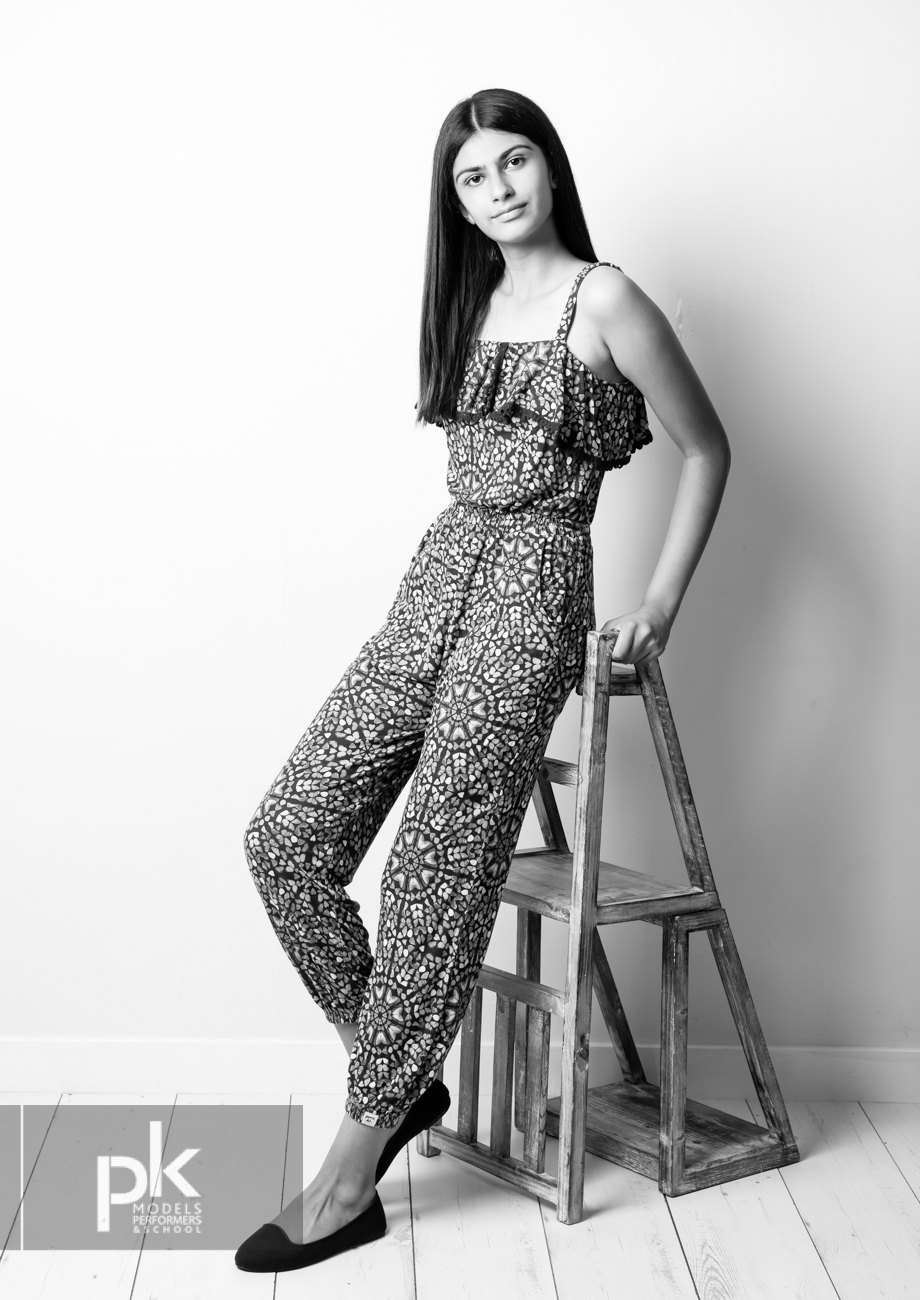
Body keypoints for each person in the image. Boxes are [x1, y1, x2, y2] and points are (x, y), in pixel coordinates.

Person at [235, 87, 730, 1273]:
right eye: (471, 176)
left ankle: (346, 1175)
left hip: (534, 585)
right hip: (438, 571)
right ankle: (399, 1075)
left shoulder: (603, 298)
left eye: (513, 161)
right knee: (287, 835)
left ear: (548, 168)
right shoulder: (466, 301)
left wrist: (658, 605)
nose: (497, 187)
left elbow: (708, 446)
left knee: (435, 865)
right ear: (453, 202)